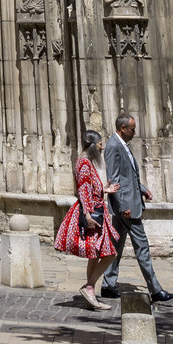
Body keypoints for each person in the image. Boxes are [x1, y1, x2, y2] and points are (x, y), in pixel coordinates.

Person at [99, 110, 173, 302]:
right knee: (142, 247)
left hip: (126, 204)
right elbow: (114, 179)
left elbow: (128, 175)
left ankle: (108, 285)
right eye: (132, 129)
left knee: (115, 246)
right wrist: (123, 205)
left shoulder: (122, 145)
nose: (135, 132)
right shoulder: (113, 147)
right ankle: (155, 290)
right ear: (122, 128)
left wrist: (142, 189)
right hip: (126, 209)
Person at [55, 129, 119, 308]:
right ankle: (89, 286)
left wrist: (103, 189)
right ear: (92, 146)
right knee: (110, 254)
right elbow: (83, 190)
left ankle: (90, 293)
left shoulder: (86, 162)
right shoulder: (84, 163)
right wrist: (87, 215)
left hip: (96, 211)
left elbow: (89, 187)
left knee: (94, 254)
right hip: (93, 214)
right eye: (100, 144)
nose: (102, 147)